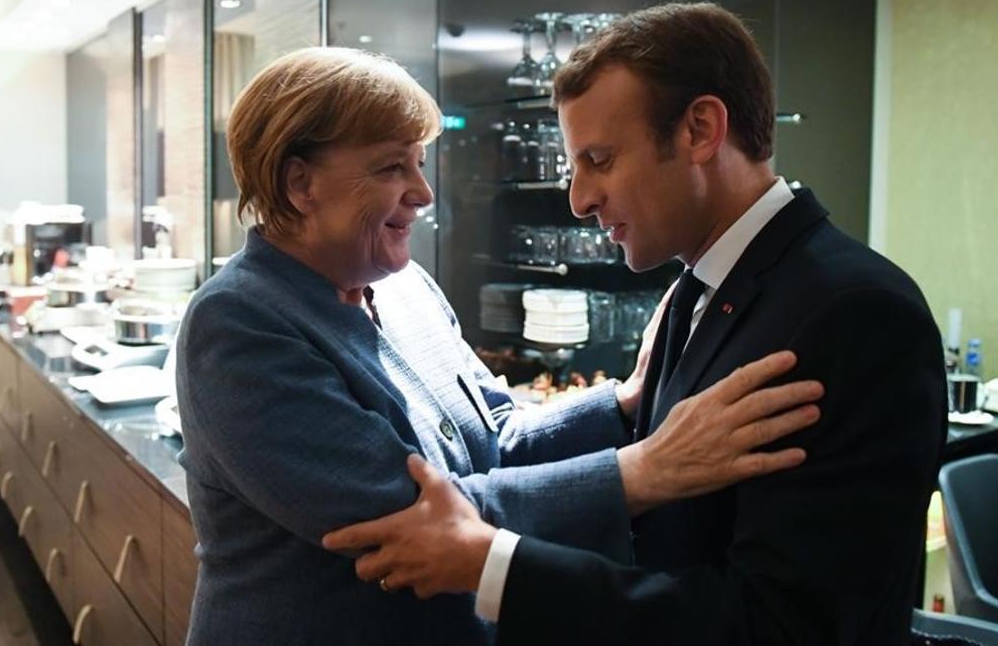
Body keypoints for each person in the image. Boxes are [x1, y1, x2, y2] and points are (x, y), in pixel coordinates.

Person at [323, 2, 948, 645]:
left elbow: (786, 627)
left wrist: (498, 566)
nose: (579, 198)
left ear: (700, 130)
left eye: (599, 158)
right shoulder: (695, 287)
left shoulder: (853, 313)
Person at [175, 46, 823, 645]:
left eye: (420, 163)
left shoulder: (405, 290)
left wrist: (621, 406)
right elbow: (414, 523)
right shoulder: (237, 324)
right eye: (390, 167)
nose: (423, 193)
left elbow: (496, 436)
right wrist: (641, 471)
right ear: (299, 184)